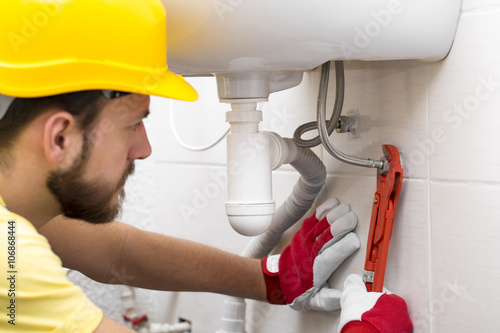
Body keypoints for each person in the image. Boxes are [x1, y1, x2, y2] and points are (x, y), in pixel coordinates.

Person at [0, 0, 412, 332]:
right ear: (59, 138)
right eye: (132, 124)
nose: (143, 149)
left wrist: (269, 278)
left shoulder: (17, 219)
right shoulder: (10, 258)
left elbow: (113, 253)